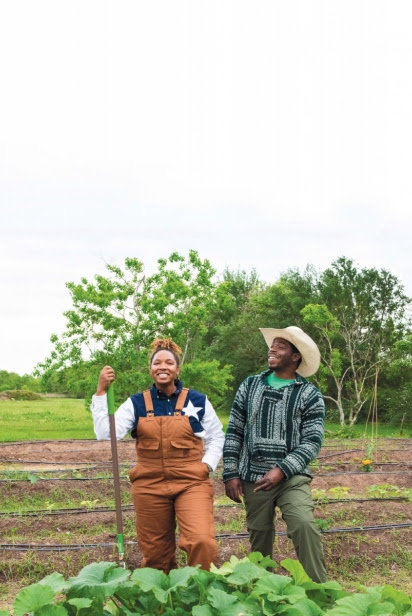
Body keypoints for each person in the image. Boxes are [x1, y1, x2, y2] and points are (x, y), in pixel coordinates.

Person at [91, 338, 225, 573]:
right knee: (156, 553)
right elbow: (106, 434)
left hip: (191, 481)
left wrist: (207, 465)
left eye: (169, 363)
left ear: (177, 369)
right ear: (150, 369)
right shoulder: (137, 403)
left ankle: (201, 591)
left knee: (201, 540)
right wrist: (101, 392)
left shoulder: (197, 400)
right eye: (157, 363)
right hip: (149, 483)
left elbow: (217, 437)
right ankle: (163, 595)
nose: (163, 367)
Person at [223, 326, 327, 583]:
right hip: (253, 477)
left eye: (281, 347)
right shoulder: (250, 386)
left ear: (295, 356)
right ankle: (263, 590)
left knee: (303, 524)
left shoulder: (309, 394)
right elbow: (234, 430)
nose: (272, 350)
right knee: (260, 535)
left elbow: (312, 441)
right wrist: (230, 473)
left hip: (291, 477)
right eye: (273, 346)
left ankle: (319, 590)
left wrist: (282, 469)